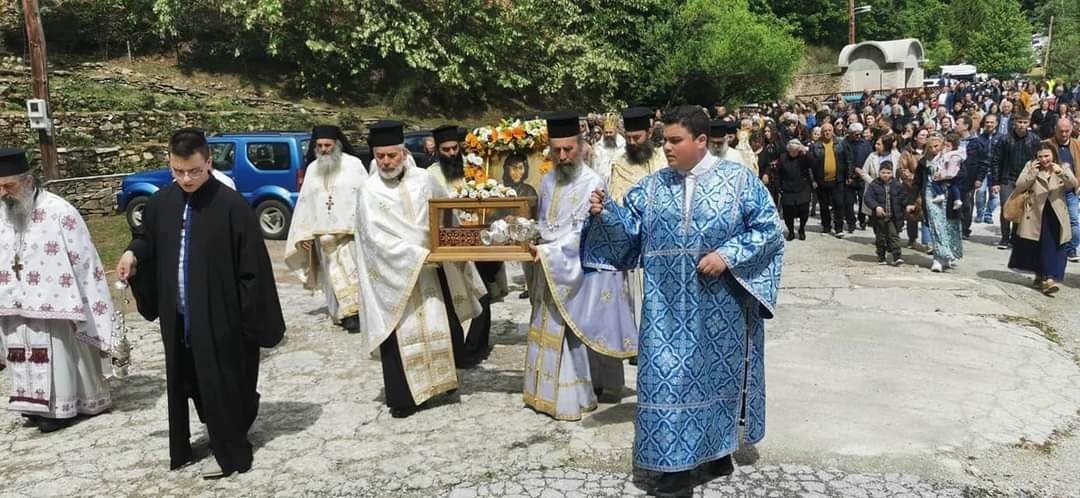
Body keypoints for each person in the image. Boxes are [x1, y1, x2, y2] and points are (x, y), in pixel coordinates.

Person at [584, 105, 784, 497]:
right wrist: (606, 212)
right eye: (665, 141)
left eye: (676, 141)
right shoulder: (653, 186)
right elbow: (629, 234)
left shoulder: (739, 181)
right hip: (665, 309)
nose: (668, 148)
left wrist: (727, 255)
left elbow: (770, 230)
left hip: (720, 307)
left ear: (701, 141)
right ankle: (673, 468)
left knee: (714, 381)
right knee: (665, 380)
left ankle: (714, 453)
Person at [117, 128, 285, 478]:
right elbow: (147, 239)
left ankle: (232, 451)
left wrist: (250, 321)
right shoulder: (162, 203)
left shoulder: (232, 206)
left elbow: (253, 269)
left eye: (194, 170)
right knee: (188, 381)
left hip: (221, 317)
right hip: (177, 315)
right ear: (170, 164)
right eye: (178, 171)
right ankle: (191, 444)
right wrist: (133, 254)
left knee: (224, 383)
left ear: (208, 162)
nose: (187, 178)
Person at [353, 120, 487, 418]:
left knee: (441, 324)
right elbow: (373, 241)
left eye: (392, 155)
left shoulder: (424, 180)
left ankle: (441, 385)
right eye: (380, 157)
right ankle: (404, 398)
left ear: (404, 153)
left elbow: (445, 212)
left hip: (433, 269)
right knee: (401, 334)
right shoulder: (369, 190)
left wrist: (453, 245)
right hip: (395, 277)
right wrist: (416, 255)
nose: (386, 162)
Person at [522, 112, 637, 421]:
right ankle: (543, 393)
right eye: (556, 150)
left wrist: (549, 252)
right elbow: (547, 223)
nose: (562, 156)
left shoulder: (593, 182)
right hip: (550, 264)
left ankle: (579, 394)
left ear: (582, 146)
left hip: (578, 267)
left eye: (568, 149)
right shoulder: (547, 181)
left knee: (579, 327)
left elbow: (583, 232)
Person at [0, 149, 114, 433]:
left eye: (8, 186)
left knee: (58, 352)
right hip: (13, 302)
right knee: (20, 349)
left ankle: (63, 407)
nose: (3, 193)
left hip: (57, 307)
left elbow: (84, 260)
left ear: (27, 181)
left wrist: (90, 304)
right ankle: (32, 404)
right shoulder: (1, 213)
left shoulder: (60, 212)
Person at [426, 124, 500, 368]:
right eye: (445, 149)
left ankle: (477, 346)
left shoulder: (475, 168)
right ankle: (459, 351)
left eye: (454, 148)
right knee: (454, 296)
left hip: (478, 237)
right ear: (437, 150)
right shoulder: (430, 175)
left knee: (482, 292)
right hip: (449, 243)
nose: (450, 153)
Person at [285, 125, 366, 332]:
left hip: (349, 236)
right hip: (322, 237)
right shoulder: (313, 168)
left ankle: (356, 314)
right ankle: (340, 313)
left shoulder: (354, 165)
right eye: (319, 145)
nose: (323, 149)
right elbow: (305, 203)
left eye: (327, 145)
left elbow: (364, 197)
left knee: (352, 273)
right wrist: (304, 233)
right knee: (332, 278)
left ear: (337, 145)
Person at [606, 106, 667, 326]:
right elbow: (616, 203)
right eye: (629, 138)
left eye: (637, 137)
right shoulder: (620, 164)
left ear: (649, 133)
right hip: (636, 241)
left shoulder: (665, 158)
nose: (632, 143)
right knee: (636, 296)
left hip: (666, 241)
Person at [1007, 143, 1077, 295]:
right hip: (1035, 213)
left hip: (1056, 213)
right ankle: (1041, 276)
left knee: (1054, 245)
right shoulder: (1030, 166)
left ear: (1053, 155)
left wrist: (1061, 172)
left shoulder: (1063, 166)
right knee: (1037, 246)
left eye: (1047, 156)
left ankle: (1049, 278)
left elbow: (1073, 184)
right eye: (1040, 157)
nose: (1044, 159)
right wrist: (1032, 172)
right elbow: (1019, 185)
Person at [914, 134, 964, 272]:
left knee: (949, 226)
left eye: (936, 146)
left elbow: (961, 174)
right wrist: (911, 200)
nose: (934, 149)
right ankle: (937, 257)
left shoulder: (952, 157)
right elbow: (917, 182)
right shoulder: (924, 161)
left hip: (949, 195)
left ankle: (947, 256)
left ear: (942, 144)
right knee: (936, 226)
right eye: (930, 147)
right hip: (931, 195)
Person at [992, 111, 1040, 249]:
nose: (1022, 125)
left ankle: (1015, 238)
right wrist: (995, 182)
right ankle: (1004, 238)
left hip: (1025, 180)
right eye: (1019, 122)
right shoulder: (1004, 139)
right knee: (1006, 207)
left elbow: (1038, 159)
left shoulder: (1035, 139)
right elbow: (996, 160)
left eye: (1025, 122)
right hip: (1007, 178)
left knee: (1020, 208)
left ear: (1029, 123)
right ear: (1014, 122)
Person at [500, 153, 539, 299]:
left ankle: (531, 286)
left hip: (525, 234)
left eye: (520, 168)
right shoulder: (501, 190)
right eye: (513, 168)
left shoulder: (529, 191)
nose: (516, 172)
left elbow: (534, 214)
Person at [1043, 118, 1080, 263]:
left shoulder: (1077, 145)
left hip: (1071, 190)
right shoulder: (1046, 144)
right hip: (1052, 189)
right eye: (1061, 131)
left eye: (1067, 131)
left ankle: (1071, 249)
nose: (1064, 134)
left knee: (1074, 220)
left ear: (1071, 129)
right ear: (1055, 130)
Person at [864, 162, 909, 266]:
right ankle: (881, 256)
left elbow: (904, 198)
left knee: (894, 236)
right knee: (881, 237)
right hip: (879, 217)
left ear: (892, 173)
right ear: (879, 172)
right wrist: (876, 207)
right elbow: (868, 198)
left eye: (888, 172)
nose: (885, 175)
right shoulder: (874, 185)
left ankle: (897, 257)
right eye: (883, 172)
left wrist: (907, 205)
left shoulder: (897, 185)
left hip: (893, 216)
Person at [810, 122, 848, 238]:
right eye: (825, 130)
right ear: (822, 133)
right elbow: (810, 165)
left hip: (838, 180)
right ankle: (826, 227)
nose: (827, 132)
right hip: (822, 181)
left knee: (839, 204)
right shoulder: (815, 146)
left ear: (833, 131)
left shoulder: (841, 144)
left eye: (829, 130)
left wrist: (848, 176)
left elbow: (847, 160)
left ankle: (839, 228)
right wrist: (813, 180)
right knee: (824, 206)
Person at [777, 138, 814, 240]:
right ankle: (791, 231)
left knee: (804, 211)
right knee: (788, 214)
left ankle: (801, 228)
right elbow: (778, 173)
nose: (793, 153)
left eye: (795, 151)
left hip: (802, 188)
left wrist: (805, 151)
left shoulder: (804, 157)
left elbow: (813, 162)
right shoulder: (783, 157)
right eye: (791, 151)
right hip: (787, 189)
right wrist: (779, 186)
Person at [590, 114, 624, 182]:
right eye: (606, 132)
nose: (608, 135)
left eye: (610, 132)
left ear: (616, 131)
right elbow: (594, 167)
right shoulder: (598, 147)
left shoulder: (623, 146)